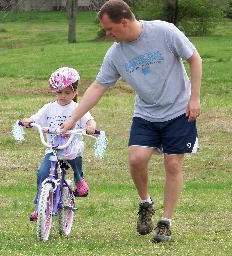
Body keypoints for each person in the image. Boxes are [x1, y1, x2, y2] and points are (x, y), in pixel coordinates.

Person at [61, 0, 202, 243]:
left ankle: (165, 222)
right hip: (146, 113)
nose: (107, 34)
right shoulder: (116, 53)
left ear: (124, 22)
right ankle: (146, 203)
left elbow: (195, 58)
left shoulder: (164, 31)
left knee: (173, 164)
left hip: (179, 110)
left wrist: (195, 98)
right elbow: (98, 86)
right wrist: (73, 118)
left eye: (109, 29)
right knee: (136, 159)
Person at [23, 67, 96, 221]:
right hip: (53, 149)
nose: (63, 96)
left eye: (67, 93)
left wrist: (90, 126)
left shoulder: (77, 108)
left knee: (75, 158)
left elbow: (89, 119)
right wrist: (30, 121)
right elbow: (36, 118)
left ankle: (79, 179)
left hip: (70, 147)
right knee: (42, 173)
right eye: (59, 92)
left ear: (75, 92)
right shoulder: (49, 108)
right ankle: (39, 206)